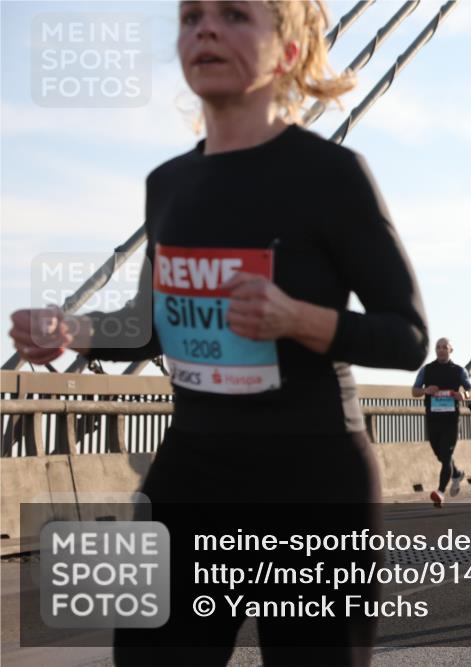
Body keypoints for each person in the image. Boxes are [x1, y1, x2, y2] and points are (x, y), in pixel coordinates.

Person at [9, 2, 428, 664]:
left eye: (234, 15)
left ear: (288, 53)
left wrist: (296, 318)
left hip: (312, 483)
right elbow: (147, 325)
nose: (204, 28)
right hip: (190, 477)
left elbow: (406, 338)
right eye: (190, 16)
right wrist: (71, 329)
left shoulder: (332, 176)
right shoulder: (169, 184)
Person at [412, 338, 471, 507]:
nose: (441, 350)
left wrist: (464, 396)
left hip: (451, 421)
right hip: (432, 419)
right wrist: (425, 390)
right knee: (441, 454)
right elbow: (414, 391)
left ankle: (439, 493)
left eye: (444, 347)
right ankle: (457, 474)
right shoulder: (427, 370)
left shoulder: (459, 371)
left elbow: (469, 389)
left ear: (451, 350)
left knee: (446, 457)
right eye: (438, 347)